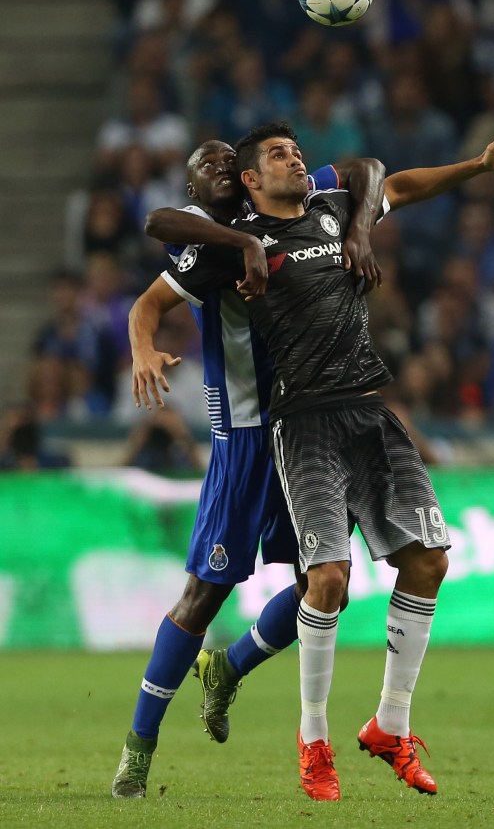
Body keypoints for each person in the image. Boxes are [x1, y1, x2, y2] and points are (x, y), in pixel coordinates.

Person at [144, 122, 494, 801]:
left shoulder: (333, 206)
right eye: (278, 154)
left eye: (297, 150)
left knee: (430, 558)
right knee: (325, 578)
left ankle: (390, 726)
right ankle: (313, 743)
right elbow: (160, 228)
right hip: (300, 421)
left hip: (370, 409)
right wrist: (154, 333)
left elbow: (388, 176)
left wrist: (479, 163)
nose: (295, 158)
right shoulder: (235, 243)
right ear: (249, 180)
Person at [111, 145, 385, 799]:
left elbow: (365, 170)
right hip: (242, 442)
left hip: (306, 428)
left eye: (231, 159)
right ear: (194, 186)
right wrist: (143, 347)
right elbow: (153, 252)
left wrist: (359, 228)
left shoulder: (289, 208)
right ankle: (138, 747)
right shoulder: (208, 245)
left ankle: (230, 669)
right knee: (203, 597)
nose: (223, 167)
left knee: (330, 587)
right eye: (208, 164)